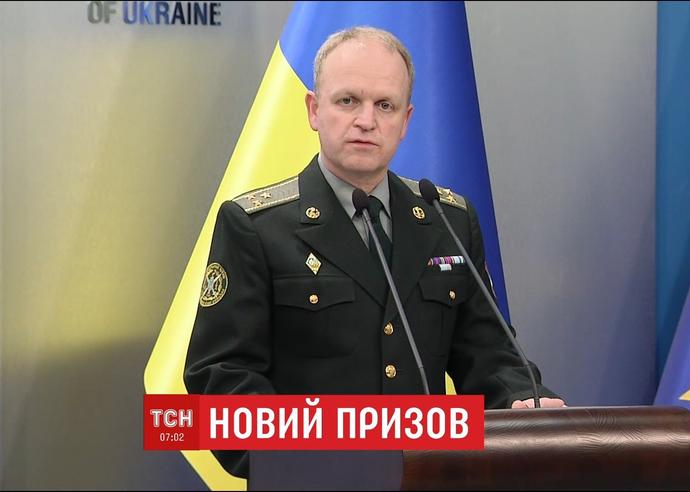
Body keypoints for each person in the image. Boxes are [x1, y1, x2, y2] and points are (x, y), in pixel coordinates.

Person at [184, 26, 564, 479]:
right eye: (348, 101)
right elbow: (221, 379)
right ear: (314, 110)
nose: (367, 120)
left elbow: (491, 354)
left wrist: (524, 400)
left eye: (385, 105)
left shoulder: (447, 220)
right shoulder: (256, 226)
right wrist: (309, 457)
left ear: (406, 121)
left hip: (426, 477)